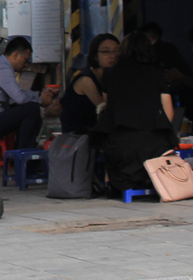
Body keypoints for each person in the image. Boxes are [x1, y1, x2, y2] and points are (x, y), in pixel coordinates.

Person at [91, 33, 177, 196]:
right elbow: (169, 113)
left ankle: (113, 185)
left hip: (120, 147)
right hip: (154, 146)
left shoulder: (109, 74)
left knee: (108, 144)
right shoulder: (157, 73)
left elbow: (109, 109)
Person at [0, 36, 56, 150]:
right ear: (16, 55)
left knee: (26, 108)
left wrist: (38, 94)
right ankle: (24, 156)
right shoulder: (2, 69)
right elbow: (20, 98)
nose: (26, 64)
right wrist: (41, 100)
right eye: (26, 60)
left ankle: (23, 152)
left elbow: (16, 95)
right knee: (31, 109)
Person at [60, 33, 118, 135]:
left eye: (116, 51)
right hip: (78, 138)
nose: (112, 56)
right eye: (106, 52)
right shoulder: (86, 80)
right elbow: (104, 110)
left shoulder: (111, 76)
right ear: (95, 56)